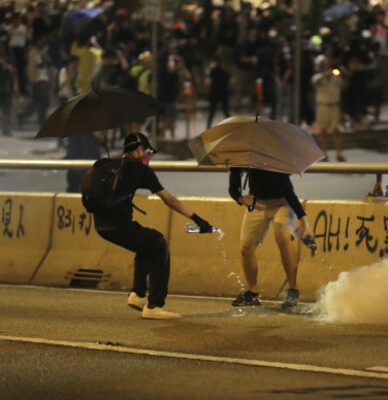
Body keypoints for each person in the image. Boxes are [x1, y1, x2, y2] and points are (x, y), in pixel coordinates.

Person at [93, 132, 215, 319]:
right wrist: (197, 219)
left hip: (101, 225)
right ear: (139, 149)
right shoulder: (140, 170)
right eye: (147, 152)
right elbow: (169, 200)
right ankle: (155, 306)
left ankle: (138, 295)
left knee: (146, 243)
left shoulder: (107, 165)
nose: (147, 157)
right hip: (118, 226)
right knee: (158, 243)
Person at [228, 166, 314, 309]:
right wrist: (240, 198)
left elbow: (289, 192)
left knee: (283, 238)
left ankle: (293, 289)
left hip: (283, 202)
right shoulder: (245, 156)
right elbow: (233, 187)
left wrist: (305, 222)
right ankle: (252, 292)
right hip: (257, 203)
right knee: (246, 248)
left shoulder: (274, 158)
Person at [312, 59, 345, 162]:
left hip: (334, 105)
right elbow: (315, 82)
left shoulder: (336, 78)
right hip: (323, 105)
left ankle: (339, 153)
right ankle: (324, 153)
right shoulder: (318, 76)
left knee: (336, 129)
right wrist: (325, 76)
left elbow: (345, 85)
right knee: (323, 130)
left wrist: (343, 75)